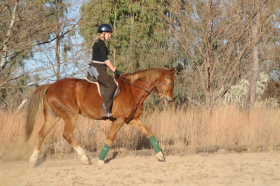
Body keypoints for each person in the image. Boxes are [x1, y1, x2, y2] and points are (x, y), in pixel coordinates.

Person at [89, 23, 121, 119]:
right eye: (109, 33)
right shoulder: (100, 43)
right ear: (103, 33)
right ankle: (104, 110)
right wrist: (115, 69)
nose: (110, 35)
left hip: (100, 68)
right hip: (97, 68)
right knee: (112, 85)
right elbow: (105, 59)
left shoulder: (100, 43)